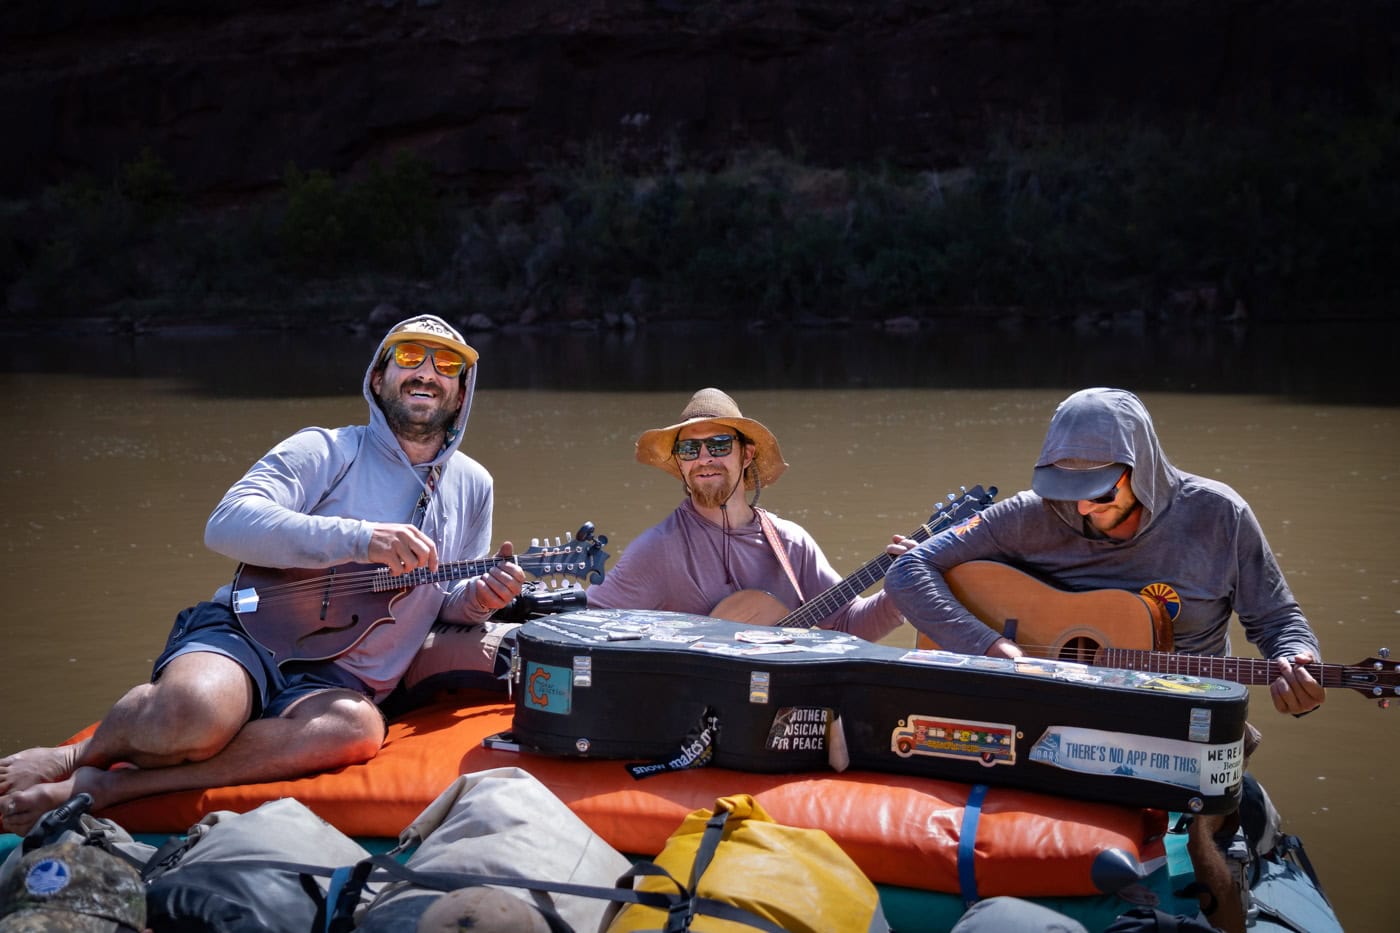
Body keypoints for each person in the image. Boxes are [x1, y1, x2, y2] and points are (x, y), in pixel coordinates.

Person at [0, 314, 525, 835]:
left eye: (447, 364)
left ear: (460, 393)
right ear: (377, 377)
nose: (427, 372)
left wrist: (481, 599)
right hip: (252, 629)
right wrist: (362, 538)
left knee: (358, 730)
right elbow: (227, 523)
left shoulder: (473, 483)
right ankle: (74, 756)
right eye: (409, 357)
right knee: (194, 711)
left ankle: (111, 786)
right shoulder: (327, 449)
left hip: (342, 679)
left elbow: (447, 597)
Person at [885, 386, 1325, 933]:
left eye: (1098, 492)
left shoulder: (1219, 516)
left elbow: (1278, 620)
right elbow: (908, 571)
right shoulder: (1031, 515)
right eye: (1068, 492)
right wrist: (988, 645)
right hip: (1052, 729)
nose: (1081, 508)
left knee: (1207, 864)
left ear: (1140, 468)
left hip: (1180, 736)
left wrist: (1297, 660)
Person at [584, 387, 915, 639]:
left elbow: (847, 624)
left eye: (719, 445)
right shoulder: (659, 549)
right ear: (680, 464)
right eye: (689, 449)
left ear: (746, 454)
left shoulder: (790, 543)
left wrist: (899, 594)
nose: (704, 458)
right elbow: (585, 622)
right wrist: (530, 598)